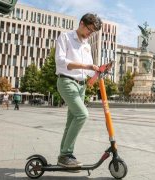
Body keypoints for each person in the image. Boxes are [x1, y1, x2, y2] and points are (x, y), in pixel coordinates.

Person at [55, 13, 102, 168]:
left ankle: (64, 156)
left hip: (81, 86)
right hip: (67, 81)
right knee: (82, 115)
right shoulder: (65, 37)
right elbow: (61, 61)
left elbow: (88, 72)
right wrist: (86, 66)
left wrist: (98, 71)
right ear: (81, 23)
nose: (90, 34)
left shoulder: (87, 45)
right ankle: (66, 154)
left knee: (71, 121)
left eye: (93, 32)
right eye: (90, 30)